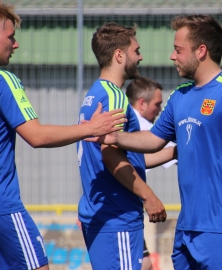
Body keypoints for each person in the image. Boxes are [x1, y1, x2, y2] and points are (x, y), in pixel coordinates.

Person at [87, 14, 222, 269]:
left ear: (201, 51)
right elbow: (153, 139)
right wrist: (114, 136)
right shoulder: (180, 96)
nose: (172, 56)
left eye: (178, 50)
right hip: (186, 227)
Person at [0, 4, 126, 270]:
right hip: (4, 207)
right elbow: (36, 135)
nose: (16, 44)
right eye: (10, 36)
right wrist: (91, 128)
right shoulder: (4, 81)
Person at [77, 22, 175, 270]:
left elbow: (129, 157)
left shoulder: (94, 93)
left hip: (102, 213)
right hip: (117, 214)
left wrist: (176, 151)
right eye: (136, 51)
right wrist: (149, 196)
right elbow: (110, 155)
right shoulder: (114, 96)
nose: (140, 57)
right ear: (119, 55)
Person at [126, 76, 177, 270]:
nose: (160, 110)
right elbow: (179, 151)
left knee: (145, 263)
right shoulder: (143, 128)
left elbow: (138, 160)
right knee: (143, 264)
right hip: (120, 211)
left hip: (119, 209)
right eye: (157, 104)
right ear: (141, 104)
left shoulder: (124, 119)